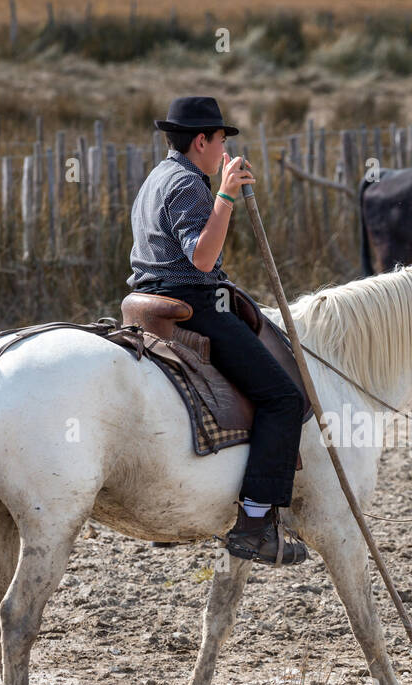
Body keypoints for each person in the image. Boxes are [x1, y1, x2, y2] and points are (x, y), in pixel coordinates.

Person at [129, 96, 308, 566]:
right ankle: (254, 523)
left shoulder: (157, 177)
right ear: (201, 140)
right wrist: (225, 196)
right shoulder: (189, 185)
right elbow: (202, 259)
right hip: (193, 304)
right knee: (284, 398)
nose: (225, 149)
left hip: (153, 299)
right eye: (221, 139)